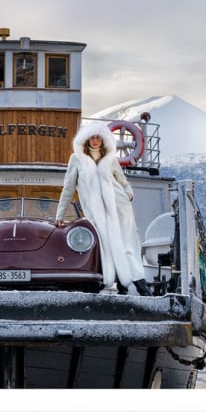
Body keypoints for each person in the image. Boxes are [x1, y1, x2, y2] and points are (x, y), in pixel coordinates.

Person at [54, 123, 150, 295]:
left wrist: (128, 195)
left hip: (119, 208)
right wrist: (60, 215)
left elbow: (123, 182)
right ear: (86, 139)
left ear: (104, 139)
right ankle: (116, 282)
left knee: (127, 243)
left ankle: (140, 286)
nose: (96, 140)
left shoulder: (110, 159)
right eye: (93, 137)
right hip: (95, 212)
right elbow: (68, 189)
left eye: (99, 137)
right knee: (104, 245)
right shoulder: (76, 159)